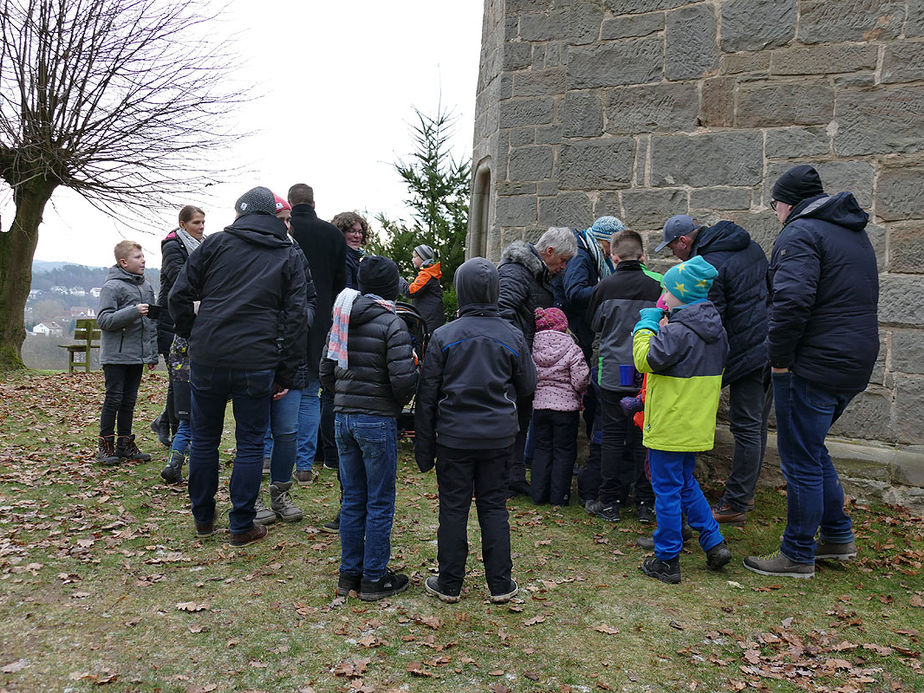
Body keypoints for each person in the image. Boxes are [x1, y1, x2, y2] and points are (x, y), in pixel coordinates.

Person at [744, 165, 879, 579]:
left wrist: (778, 358)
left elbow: (791, 302)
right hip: (853, 361)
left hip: (813, 362)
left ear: (787, 203)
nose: (775, 213)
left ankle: (798, 553)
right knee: (812, 448)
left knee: (799, 457)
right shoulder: (851, 232)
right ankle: (838, 536)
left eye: (774, 205)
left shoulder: (801, 233)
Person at [169, 186, 309, 547]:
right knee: (249, 444)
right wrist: (286, 372)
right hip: (257, 359)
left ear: (241, 213)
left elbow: (178, 296)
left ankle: (203, 517)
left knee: (204, 438)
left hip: (210, 355)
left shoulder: (214, 244)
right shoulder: (287, 253)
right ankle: (241, 523)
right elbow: (295, 318)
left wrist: (194, 332)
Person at [415, 257, 536, 603]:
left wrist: (426, 449)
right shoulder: (510, 335)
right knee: (493, 507)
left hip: (456, 438)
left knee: (454, 509)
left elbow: (427, 396)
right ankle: (500, 584)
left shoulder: (444, 336)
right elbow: (528, 384)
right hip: (497, 438)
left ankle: (450, 583)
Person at [658, 214, 771, 525]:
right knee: (755, 425)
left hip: (744, 352)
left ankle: (735, 502)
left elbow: (707, 317)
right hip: (766, 345)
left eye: (671, 249)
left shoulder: (707, 266)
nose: (673, 256)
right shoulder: (753, 249)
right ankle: (742, 494)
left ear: (684, 241)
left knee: (746, 426)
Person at [319, 256, 418, 600]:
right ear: (392, 287)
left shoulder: (341, 318)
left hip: (344, 418)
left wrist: (348, 395)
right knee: (378, 501)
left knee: (352, 499)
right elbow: (403, 381)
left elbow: (326, 374)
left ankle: (349, 574)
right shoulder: (393, 324)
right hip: (375, 420)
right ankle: (374, 578)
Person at [632, 255, 732, 584]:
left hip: (669, 424)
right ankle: (713, 542)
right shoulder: (716, 332)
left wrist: (645, 325)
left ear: (681, 294)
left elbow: (645, 360)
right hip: (695, 424)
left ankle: (667, 559)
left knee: (666, 491)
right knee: (686, 484)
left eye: (667, 291)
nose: (663, 295)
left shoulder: (677, 332)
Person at [582, 230, 662, 522]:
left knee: (613, 436)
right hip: (646, 371)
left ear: (613, 257)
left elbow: (595, 324)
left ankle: (611, 501)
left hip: (613, 371)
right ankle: (644, 502)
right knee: (644, 436)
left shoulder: (603, 287)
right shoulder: (658, 286)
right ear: (643, 257)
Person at [497, 226, 577, 496]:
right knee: (509, 422)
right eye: (563, 261)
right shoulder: (515, 273)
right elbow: (501, 313)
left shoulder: (535, 275)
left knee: (521, 420)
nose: (563, 268)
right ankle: (501, 479)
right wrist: (516, 353)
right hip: (511, 361)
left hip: (525, 362)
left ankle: (515, 475)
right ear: (549, 252)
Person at [287, 184, 346, 494]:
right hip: (322, 320)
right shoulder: (332, 235)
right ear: (313, 201)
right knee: (310, 393)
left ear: (291, 203)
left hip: (285, 319)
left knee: (279, 392)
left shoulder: (284, 231)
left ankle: (270, 458)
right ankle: (305, 466)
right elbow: (340, 284)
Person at [96, 240, 159, 465]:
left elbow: (151, 324)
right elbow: (104, 320)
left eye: (143, 256)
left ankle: (124, 444)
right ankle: (105, 445)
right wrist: (132, 312)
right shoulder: (112, 287)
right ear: (123, 262)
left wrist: (152, 354)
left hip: (137, 356)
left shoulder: (146, 287)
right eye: (137, 257)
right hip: (115, 356)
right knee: (113, 399)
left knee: (129, 401)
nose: (143, 260)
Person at [153, 206, 205, 447]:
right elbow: (178, 276)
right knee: (178, 377)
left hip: (192, 316)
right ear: (183, 225)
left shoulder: (203, 245)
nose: (201, 227)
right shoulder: (173, 246)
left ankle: (167, 421)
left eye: (203, 222)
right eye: (196, 223)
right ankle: (173, 428)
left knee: (183, 377)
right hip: (171, 317)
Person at [530, 307, 588, 506]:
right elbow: (580, 380)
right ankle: (559, 496)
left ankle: (538, 494)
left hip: (540, 406)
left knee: (542, 449)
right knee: (563, 452)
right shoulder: (571, 347)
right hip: (566, 409)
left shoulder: (532, 345)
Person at [399, 244, 444, 334]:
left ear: (423, 258)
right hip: (431, 320)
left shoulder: (426, 274)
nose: (412, 260)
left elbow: (410, 291)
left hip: (428, 322)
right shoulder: (429, 273)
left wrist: (398, 279)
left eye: (414, 257)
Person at [331, 211, 368, 291]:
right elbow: (347, 294)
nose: (357, 236)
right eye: (352, 231)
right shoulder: (344, 258)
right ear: (340, 233)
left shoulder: (354, 258)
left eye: (360, 232)